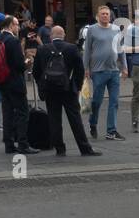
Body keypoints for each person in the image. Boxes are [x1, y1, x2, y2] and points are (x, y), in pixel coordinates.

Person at [33, 25, 99, 156]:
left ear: (51, 36)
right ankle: (84, 148)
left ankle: (60, 148)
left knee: (54, 119)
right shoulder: (72, 48)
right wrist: (77, 87)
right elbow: (80, 70)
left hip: (50, 90)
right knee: (75, 119)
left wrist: (42, 85)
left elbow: (36, 72)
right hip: (68, 89)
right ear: (63, 35)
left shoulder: (42, 49)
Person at [0, 14, 39, 155]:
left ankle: (8, 143)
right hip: (15, 82)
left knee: (7, 113)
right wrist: (28, 61)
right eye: (16, 25)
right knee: (22, 113)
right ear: (10, 26)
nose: (18, 27)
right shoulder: (13, 41)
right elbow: (19, 65)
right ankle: (23, 144)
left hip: (3, 82)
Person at [84, 6, 126, 141]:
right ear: (98, 15)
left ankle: (111, 131)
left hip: (114, 71)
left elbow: (121, 50)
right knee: (97, 101)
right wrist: (86, 68)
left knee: (114, 101)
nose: (105, 16)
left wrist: (124, 66)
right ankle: (93, 122)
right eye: (102, 14)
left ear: (110, 16)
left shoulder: (116, 30)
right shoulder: (92, 30)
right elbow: (87, 51)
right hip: (98, 71)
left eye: (107, 14)